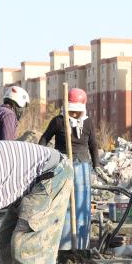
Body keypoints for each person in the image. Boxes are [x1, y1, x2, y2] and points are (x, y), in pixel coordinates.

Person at [40, 88, 99, 249]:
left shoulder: (87, 122)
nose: (74, 114)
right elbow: (45, 138)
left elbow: (93, 144)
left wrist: (96, 165)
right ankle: (62, 246)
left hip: (82, 169)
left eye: (76, 112)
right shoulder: (59, 121)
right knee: (62, 206)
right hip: (62, 167)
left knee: (81, 207)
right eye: (71, 111)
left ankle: (81, 245)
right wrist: (41, 158)